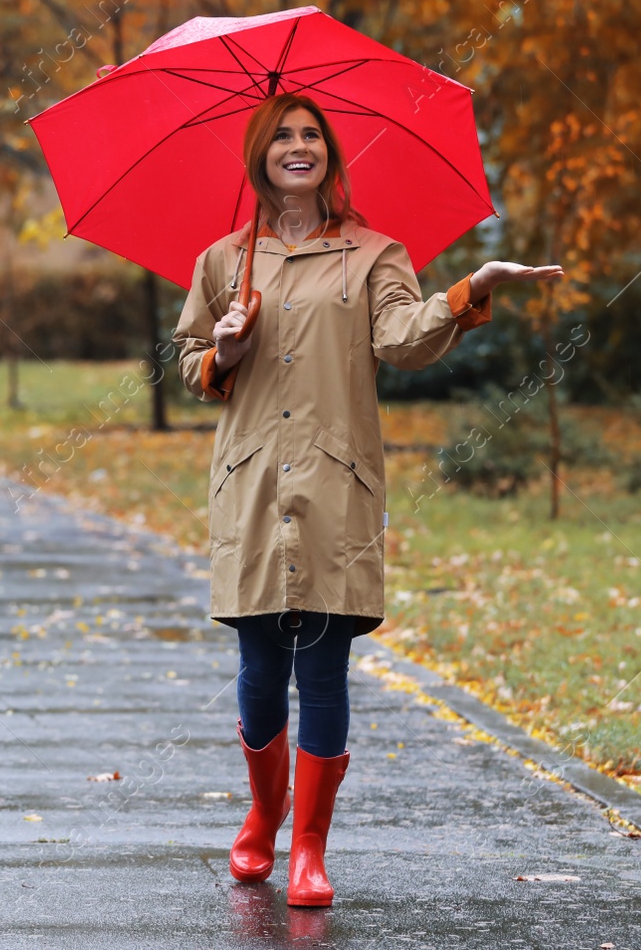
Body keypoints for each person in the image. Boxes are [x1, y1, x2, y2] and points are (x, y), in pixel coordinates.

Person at [172, 92, 563, 908]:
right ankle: (263, 812)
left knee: (322, 664)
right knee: (255, 667)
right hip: (250, 483)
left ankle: (309, 848)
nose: (299, 145)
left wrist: (467, 292)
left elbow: (403, 339)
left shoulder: (375, 253)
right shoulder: (222, 260)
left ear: (330, 156)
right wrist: (224, 349)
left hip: (334, 483)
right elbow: (188, 363)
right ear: (260, 154)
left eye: (312, 135)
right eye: (282, 135)